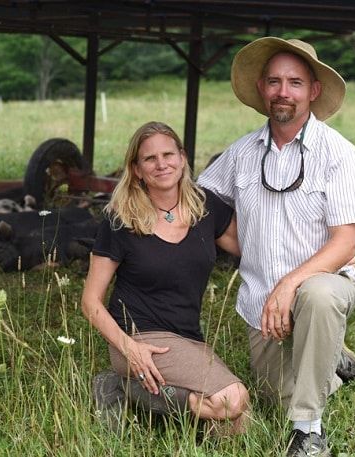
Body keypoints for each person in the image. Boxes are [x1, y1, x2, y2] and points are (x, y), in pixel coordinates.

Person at [198, 37, 355, 456]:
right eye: (274, 81)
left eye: (295, 82)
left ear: (313, 91)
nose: (283, 91)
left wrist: (289, 284)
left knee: (317, 294)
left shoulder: (339, 153)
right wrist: (240, 244)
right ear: (262, 89)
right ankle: (331, 362)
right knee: (278, 397)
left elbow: (346, 240)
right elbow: (200, 204)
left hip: (324, 286)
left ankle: (309, 432)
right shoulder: (240, 153)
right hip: (261, 301)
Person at [81, 121, 249, 434]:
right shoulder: (120, 219)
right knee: (230, 401)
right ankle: (121, 386)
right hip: (139, 338)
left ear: (182, 158)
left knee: (238, 427)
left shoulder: (204, 207)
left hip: (188, 338)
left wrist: (320, 252)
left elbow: (252, 249)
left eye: (168, 154)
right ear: (136, 169)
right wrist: (129, 347)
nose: (162, 164)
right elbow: (90, 302)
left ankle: (144, 395)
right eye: (150, 159)